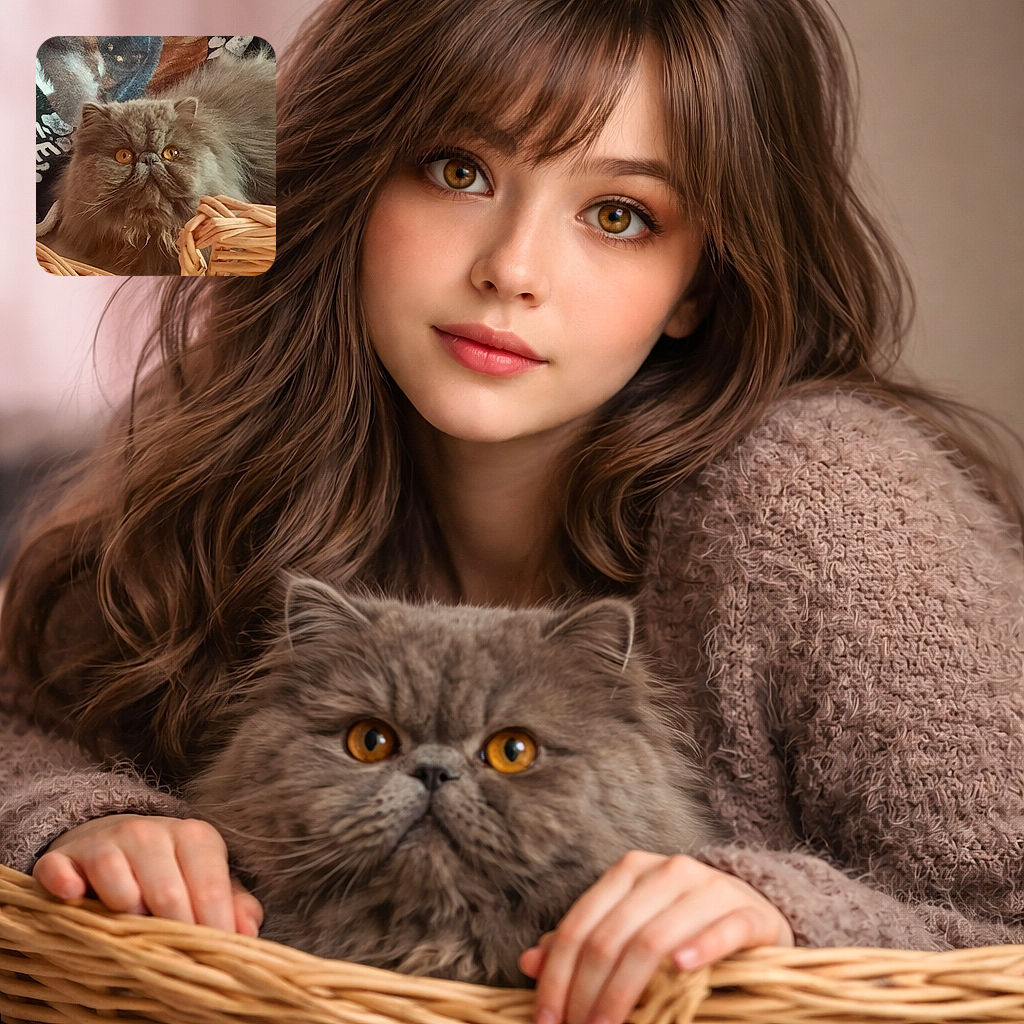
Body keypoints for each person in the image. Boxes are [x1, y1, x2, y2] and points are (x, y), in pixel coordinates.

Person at [2, 1, 1023, 1023]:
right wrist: (83, 818)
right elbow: (24, 718)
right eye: (457, 170)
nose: (512, 270)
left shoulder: (825, 505)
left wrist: (783, 911)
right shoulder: (231, 446)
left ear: (699, 284)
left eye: (620, 215)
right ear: (348, 178)